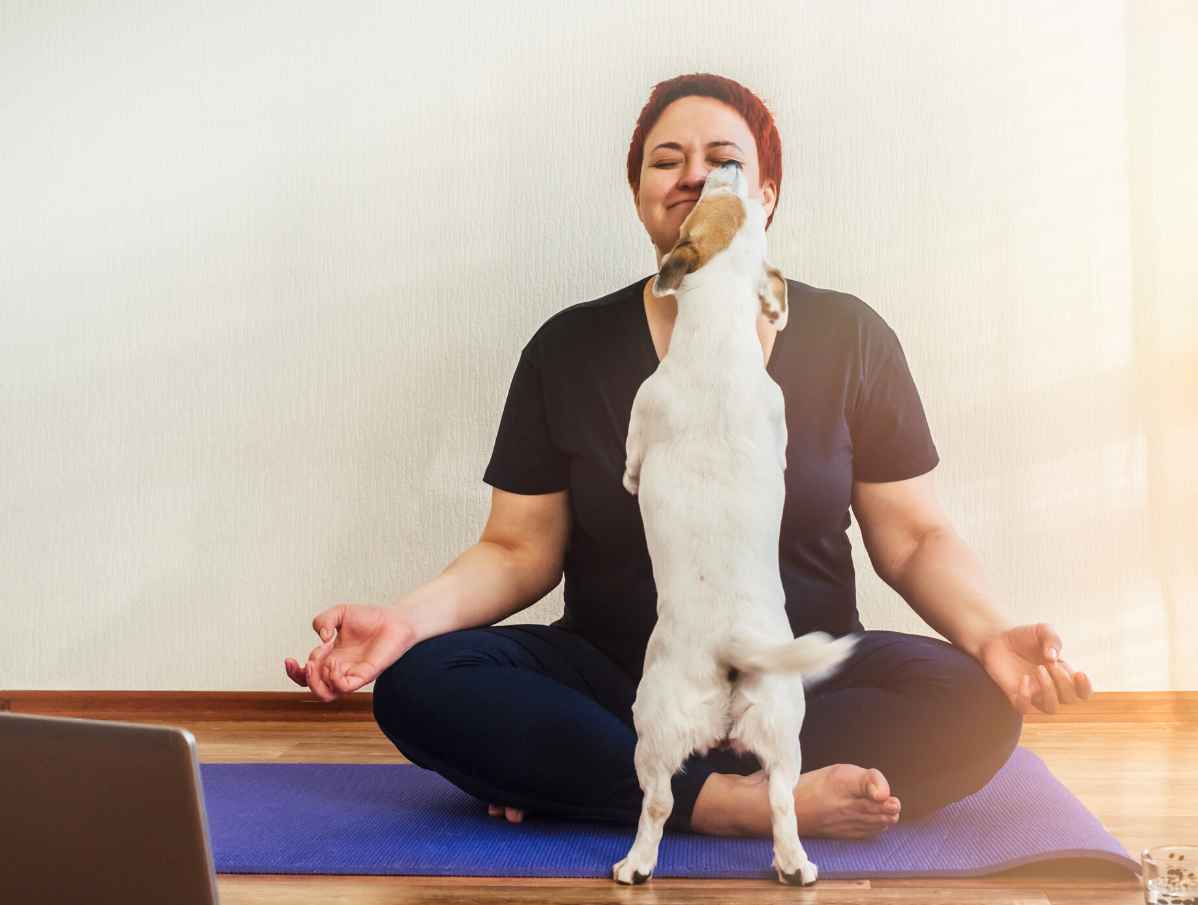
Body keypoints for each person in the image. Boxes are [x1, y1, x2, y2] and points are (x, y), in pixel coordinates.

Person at [285, 73, 1091, 840]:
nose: (692, 175)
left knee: (974, 702)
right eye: (665, 161)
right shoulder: (569, 348)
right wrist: (404, 621)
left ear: (765, 197)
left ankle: (597, 783)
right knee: (424, 682)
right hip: (618, 684)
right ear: (640, 195)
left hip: (795, 676)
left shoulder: (850, 338)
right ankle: (735, 804)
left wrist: (989, 636)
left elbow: (914, 537)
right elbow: (516, 548)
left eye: (723, 161)